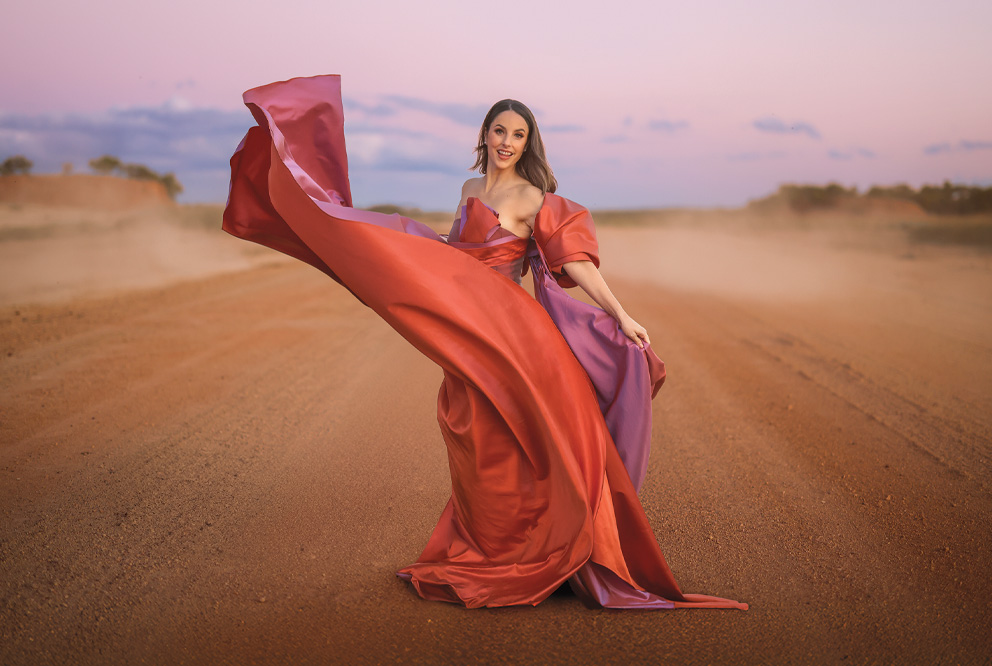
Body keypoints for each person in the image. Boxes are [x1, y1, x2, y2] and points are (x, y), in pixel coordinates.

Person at [223, 74, 747, 610]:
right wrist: (386, 257)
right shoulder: (470, 191)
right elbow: (454, 253)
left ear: (528, 142)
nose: (506, 142)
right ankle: (495, 548)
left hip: (513, 331)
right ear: (486, 134)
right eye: (499, 130)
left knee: (518, 437)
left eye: (518, 135)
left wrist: (622, 313)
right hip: (468, 325)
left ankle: (546, 549)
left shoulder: (533, 196)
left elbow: (575, 264)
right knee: (473, 431)